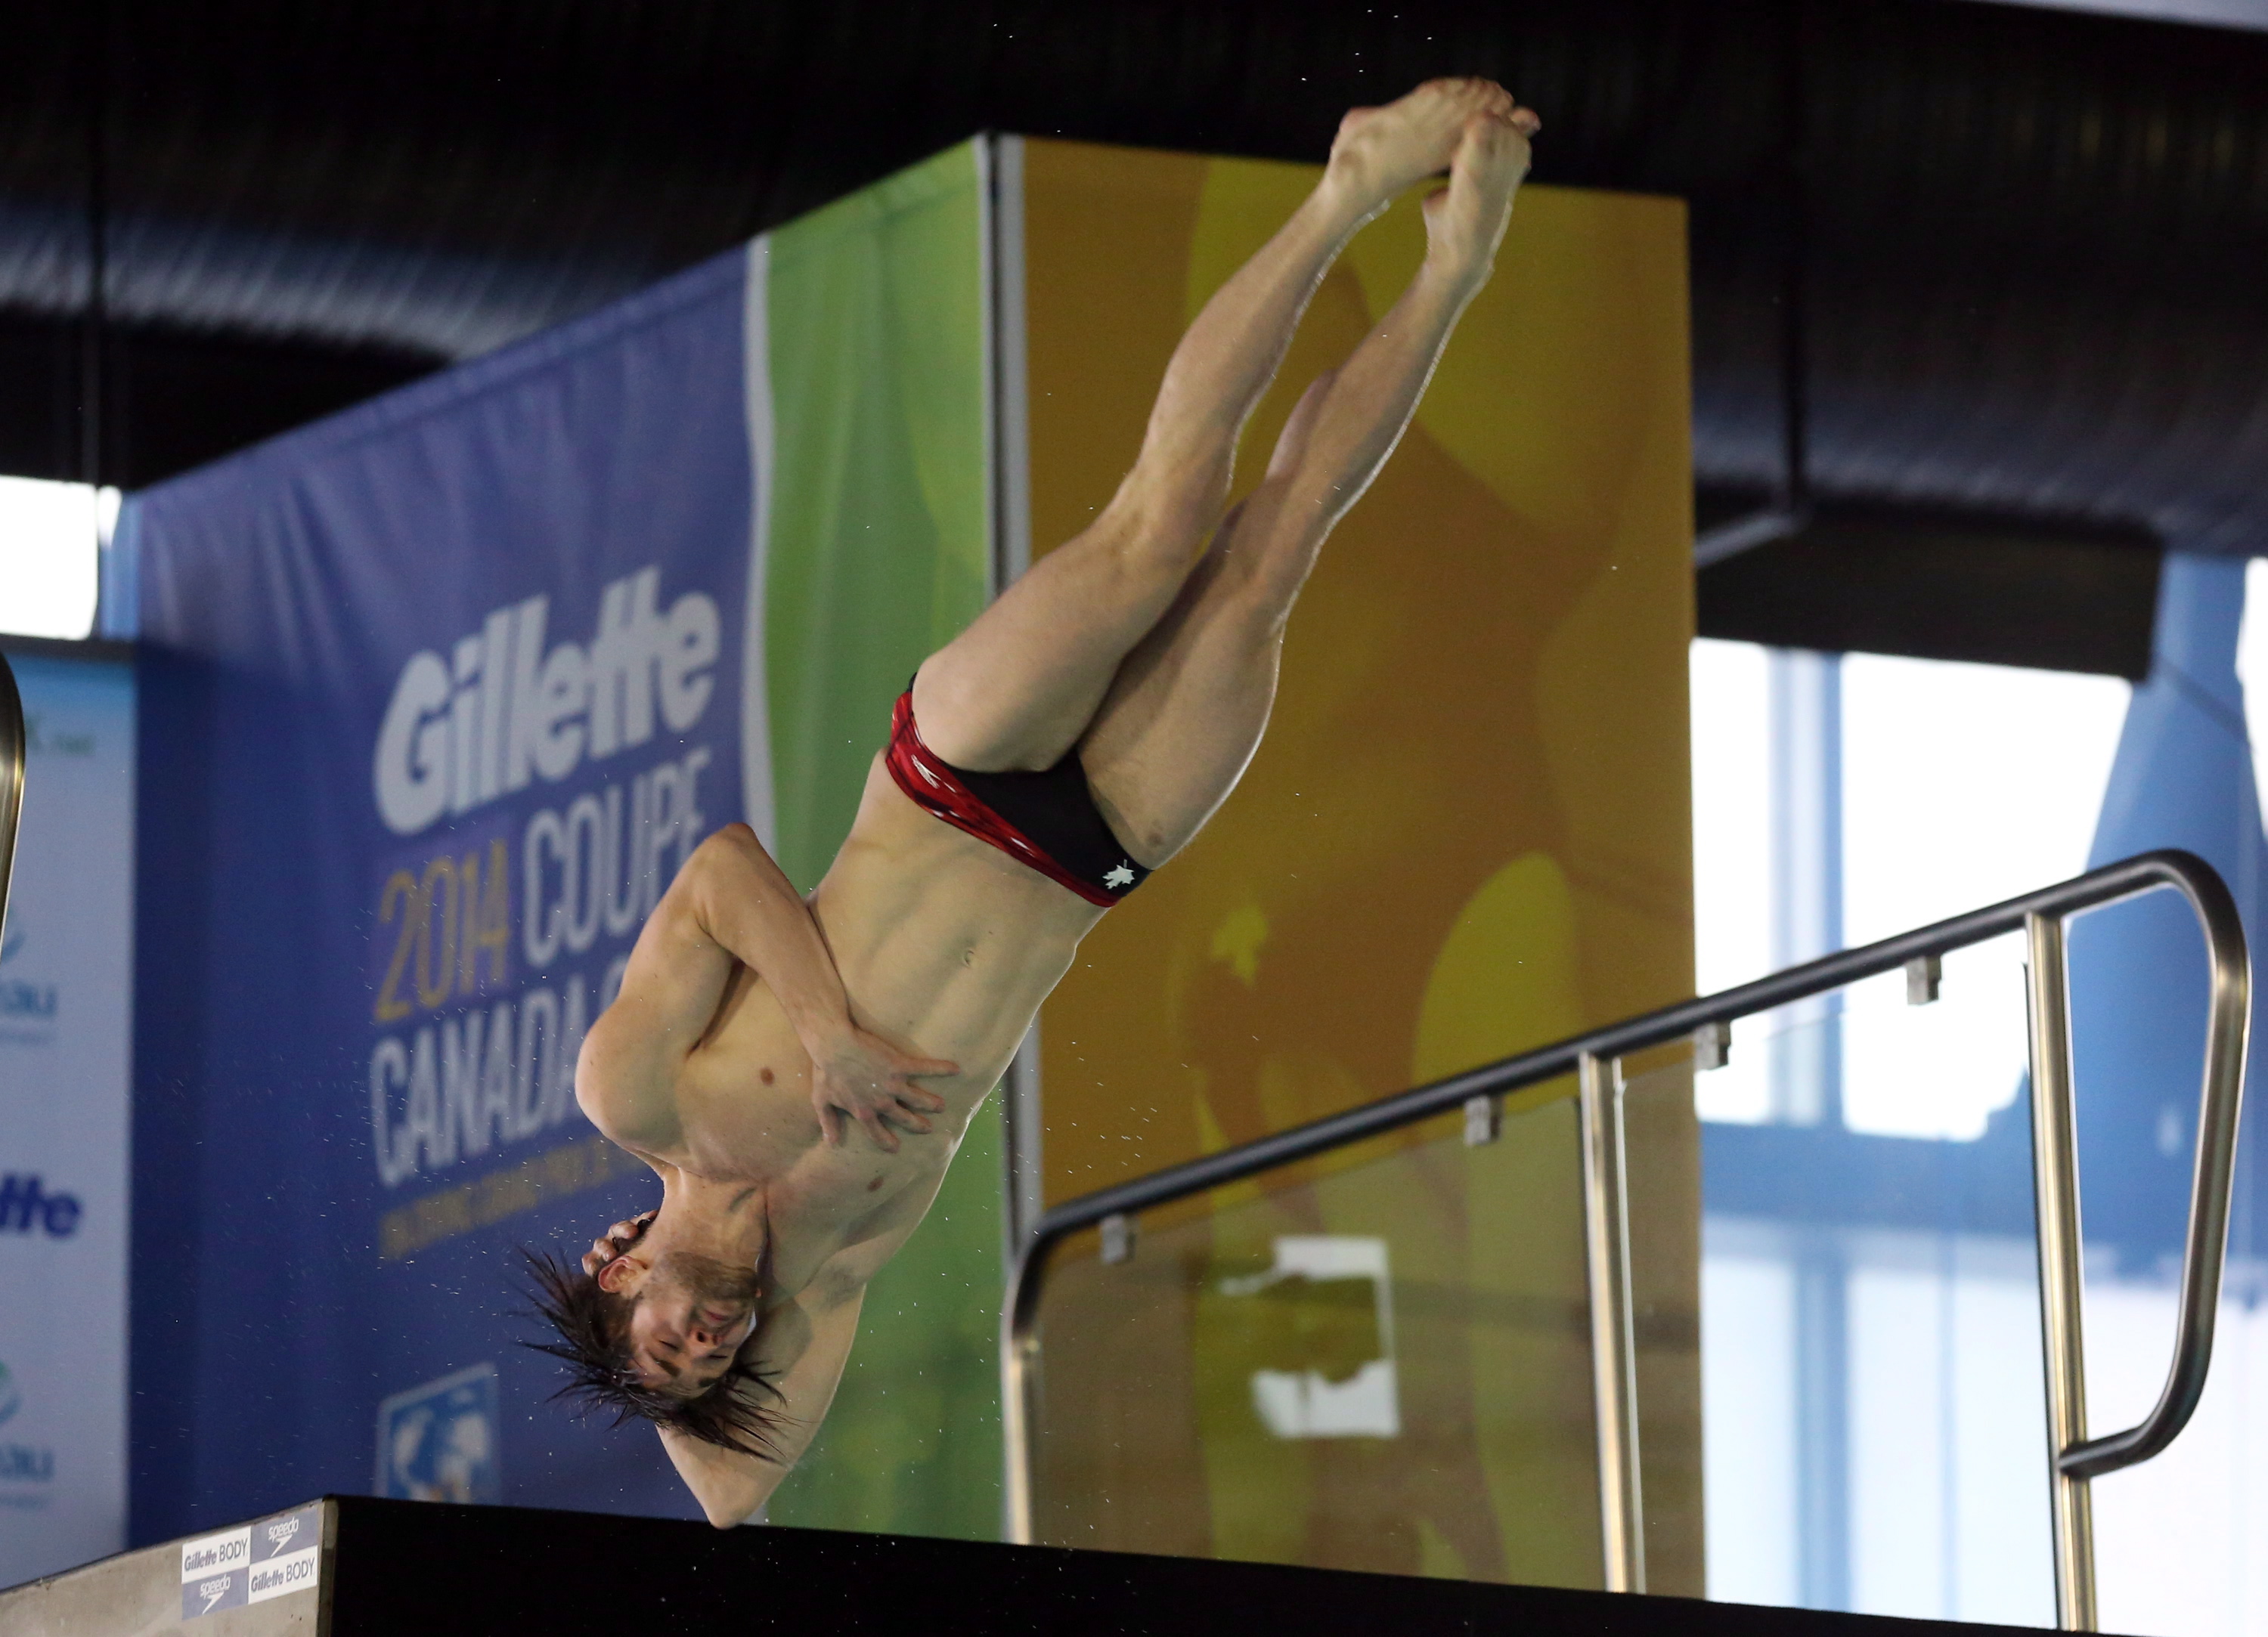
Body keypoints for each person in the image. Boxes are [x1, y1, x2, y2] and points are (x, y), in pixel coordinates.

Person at [528, 76, 1540, 1527]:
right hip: (1090, 853)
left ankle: (1348, 188)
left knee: (1157, 526)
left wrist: (826, 1037)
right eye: (709, 1369)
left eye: (663, 1347)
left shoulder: (641, 1096)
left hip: (946, 787)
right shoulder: (832, 1264)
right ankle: (1456, 268)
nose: (708, 1352)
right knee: (1276, 553)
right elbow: (728, 1504)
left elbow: (718, 869)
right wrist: (671, 1370)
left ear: (614, 1271)